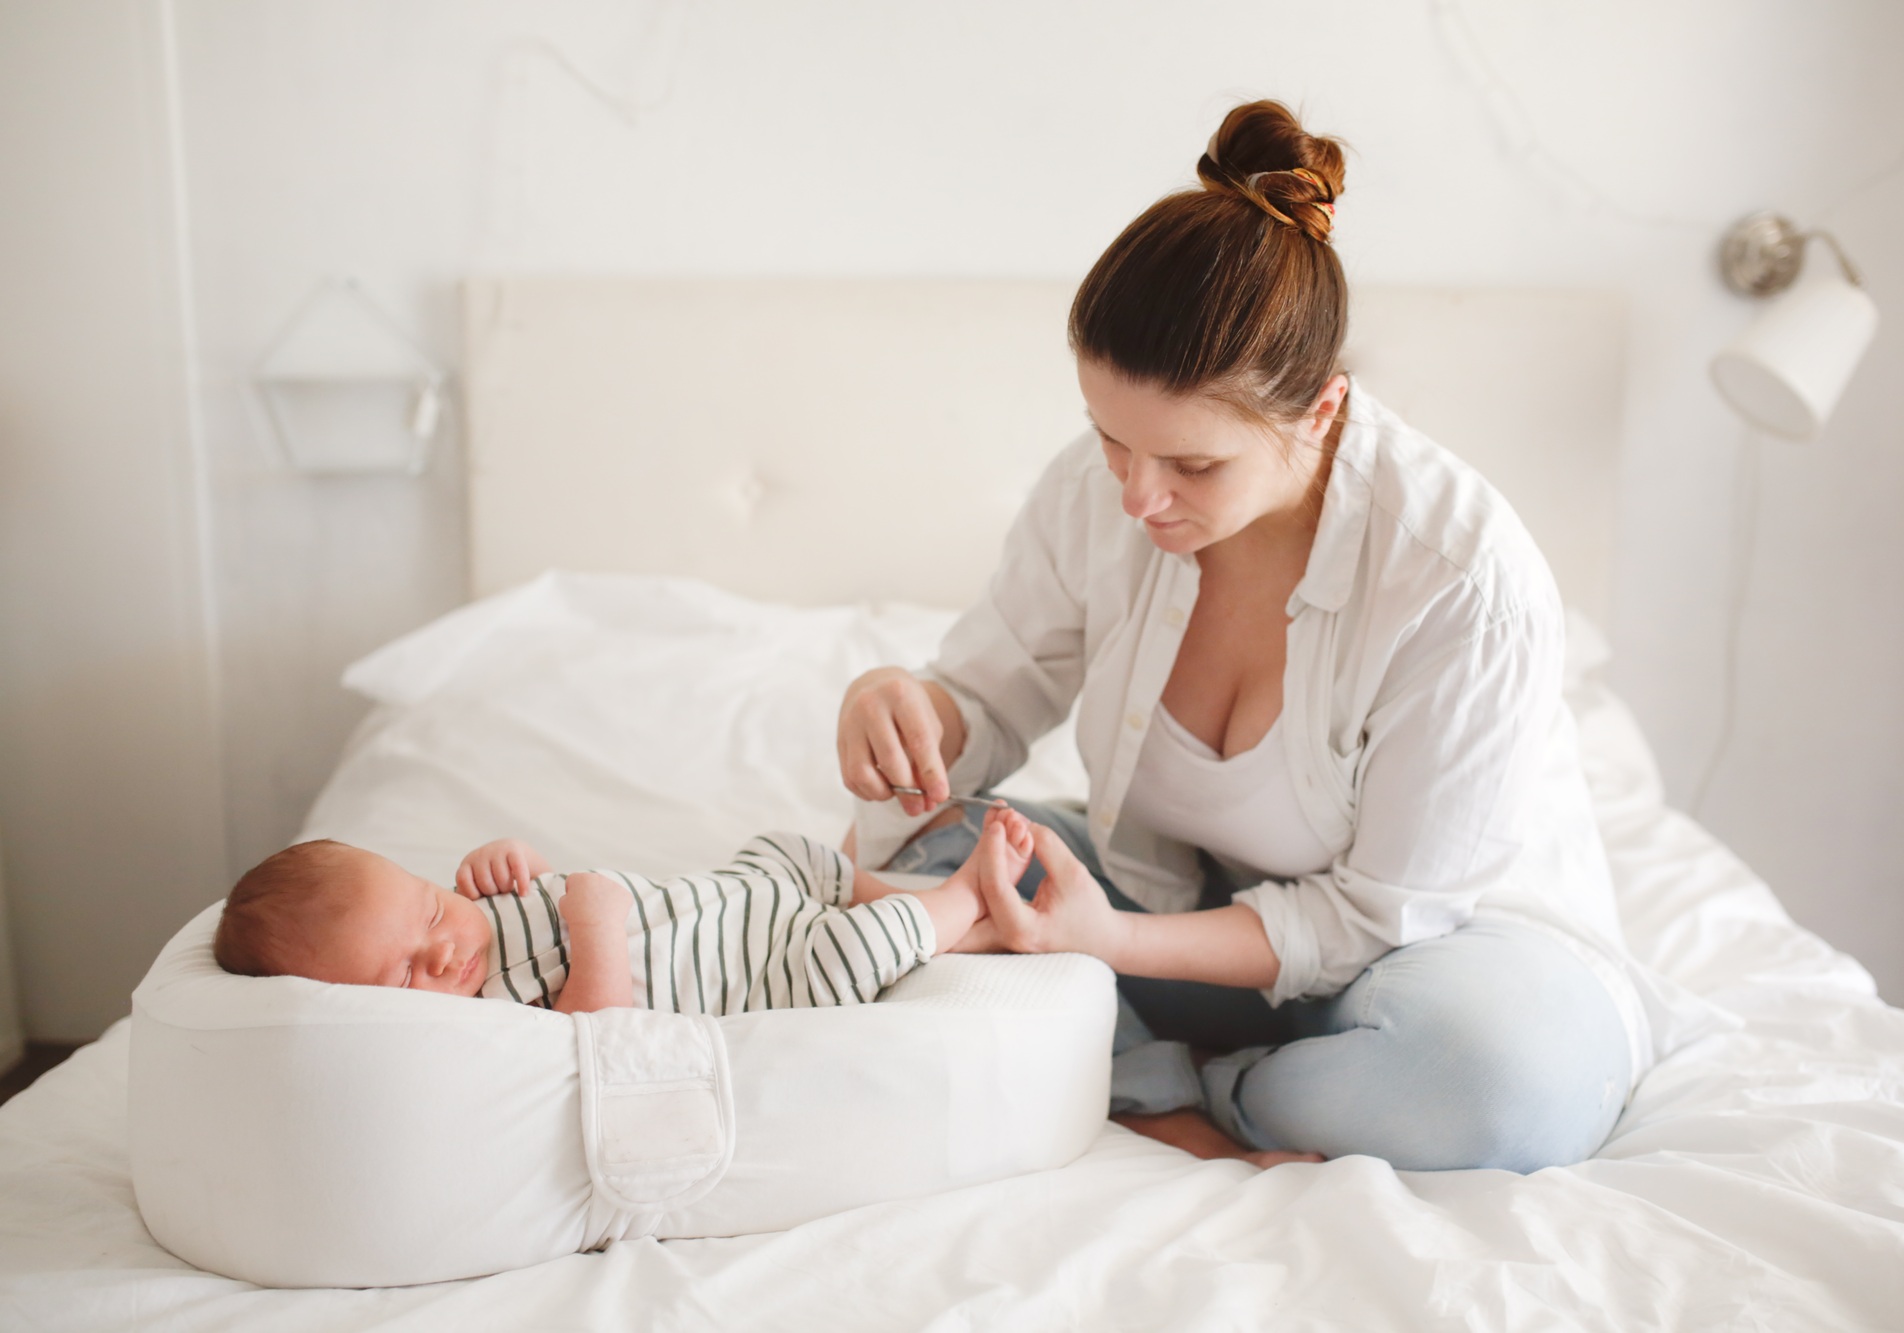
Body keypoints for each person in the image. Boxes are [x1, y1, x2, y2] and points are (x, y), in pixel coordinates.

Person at [838, 100, 1674, 1174]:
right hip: (1186, 909)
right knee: (924, 868)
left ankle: (1181, 1085)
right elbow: (994, 694)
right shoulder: (1104, 493)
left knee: (1498, 1084)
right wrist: (905, 705)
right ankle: (1239, 1084)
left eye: (1191, 465)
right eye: (1109, 441)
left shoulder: (1462, 581)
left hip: (1431, 958)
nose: (1138, 496)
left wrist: (1111, 948)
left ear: (1321, 411)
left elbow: (1380, 915)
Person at [211, 811, 1033, 1015]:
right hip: (764, 970)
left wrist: (517, 865)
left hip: (733, 897)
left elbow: (541, 896)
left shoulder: (477, 913)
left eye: (428, 909)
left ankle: (941, 920)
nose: (440, 950)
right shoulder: (489, 1017)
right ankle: (965, 899)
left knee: (790, 849)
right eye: (400, 972)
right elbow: (599, 1028)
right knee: (851, 951)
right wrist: (594, 926)